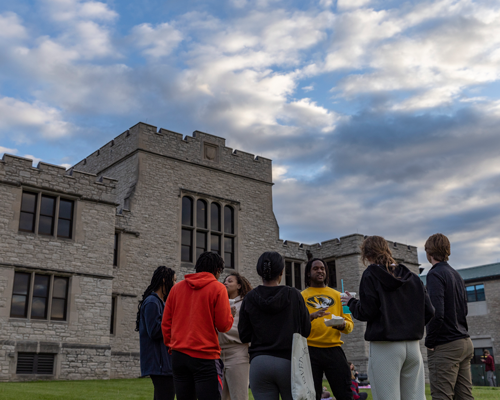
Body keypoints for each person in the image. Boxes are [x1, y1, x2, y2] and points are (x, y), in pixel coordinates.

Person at [343, 235, 434, 400]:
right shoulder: (412, 277)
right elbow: (429, 310)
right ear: (387, 250)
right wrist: (411, 327)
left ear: (366, 255)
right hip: (413, 348)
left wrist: (351, 302)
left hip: (385, 347)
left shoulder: (370, 274)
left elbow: (367, 311)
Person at [238, 251, 312, 400]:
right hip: (288, 362)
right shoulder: (294, 295)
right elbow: (306, 330)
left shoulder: (250, 297)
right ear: (282, 272)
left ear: (260, 272)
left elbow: (244, 335)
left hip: (259, 362)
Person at [162, 252, 234, 400]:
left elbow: (166, 323)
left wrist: (172, 346)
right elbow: (223, 325)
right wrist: (231, 315)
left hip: (179, 355)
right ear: (217, 270)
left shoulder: (176, 289)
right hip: (205, 356)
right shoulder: (218, 288)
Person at [424, 233, 474, 400]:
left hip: (446, 345)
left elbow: (436, 312)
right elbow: (464, 309)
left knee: (442, 396)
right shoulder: (456, 275)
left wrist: (430, 341)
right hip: (465, 342)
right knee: (465, 397)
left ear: (428, 252)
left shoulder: (434, 274)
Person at [302, 258, 354, 400]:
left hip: (334, 349)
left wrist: (343, 325)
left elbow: (350, 326)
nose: (320, 271)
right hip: (309, 350)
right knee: (311, 396)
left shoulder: (340, 296)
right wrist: (311, 317)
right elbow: (296, 325)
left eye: (323, 268)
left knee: (345, 394)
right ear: (308, 273)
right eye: (316, 268)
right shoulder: (300, 297)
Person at [136, 266, 177, 400]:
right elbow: (154, 330)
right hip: (158, 364)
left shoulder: (160, 302)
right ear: (165, 281)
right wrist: (176, 322)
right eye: (174, 281)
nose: (175, 285)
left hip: (164, 362)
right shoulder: (152, 302)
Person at [219, 272, 253, 400]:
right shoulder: (219, 302)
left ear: (239, 285)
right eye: (225, 281)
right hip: (218, 353)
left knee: (238, 396)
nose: (225, 283)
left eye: (230, 281)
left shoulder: (246, 303)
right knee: (220, 396)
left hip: (238, 352)